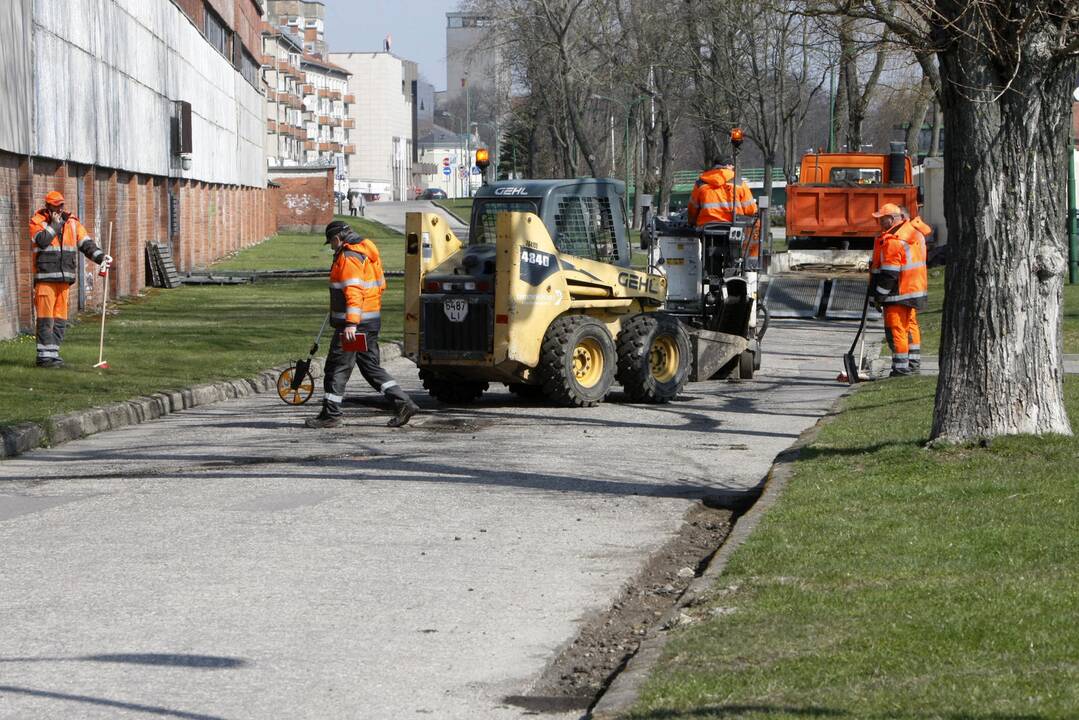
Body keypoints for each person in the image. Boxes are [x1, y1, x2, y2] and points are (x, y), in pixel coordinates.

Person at [306, 220, 419, 428]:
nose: (331, 246)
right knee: (370, 367)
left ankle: (331, 415)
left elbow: (355, 292)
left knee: (337, 367)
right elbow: (380, 287)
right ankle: (404, 403)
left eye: (331, 242)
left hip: (353, 327)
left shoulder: (349, 257)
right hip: (370, 321)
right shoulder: (367, 253)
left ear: (337, 239)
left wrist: (350, 323)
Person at [28, 191, 112, 368]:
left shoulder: (72, 223)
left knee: (60, 319)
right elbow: (42, 240)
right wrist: (54, 225)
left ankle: (54, 353)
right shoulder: (37, 221)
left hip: (64, 280)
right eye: (55, 205)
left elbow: (86, 244)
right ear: (48, 207)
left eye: (61, 205)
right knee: (45, 319)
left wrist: (101, 257)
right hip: (45, 279)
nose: (59, 208)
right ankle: (44, 357)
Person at [870, 203, 927, 377]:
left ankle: (901, 368)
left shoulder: (894, 241)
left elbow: (889, 274)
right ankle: (913, 364)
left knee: (897, 329)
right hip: (913, 289)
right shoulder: (914, 233)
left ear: (893, 219)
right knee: (910, 327)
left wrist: (878, 296)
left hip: (898, 293)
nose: (879, 222)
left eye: (882, 219)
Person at [895, 206, 932, 373]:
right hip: (917, 284)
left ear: (902, 216)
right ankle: (913, 362)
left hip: (907, 284)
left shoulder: (907, 234)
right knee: (911, 324)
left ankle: (904, 366)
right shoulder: (918, 233)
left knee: (903, 326)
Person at [687, 157, 758, 226]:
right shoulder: (739, 183)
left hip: (706, 227)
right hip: (734, 226)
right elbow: (750, 210)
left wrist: (692, 222)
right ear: (728, 165)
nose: (733, 169)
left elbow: (692, 210)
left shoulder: (700, 183)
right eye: (732, 166)